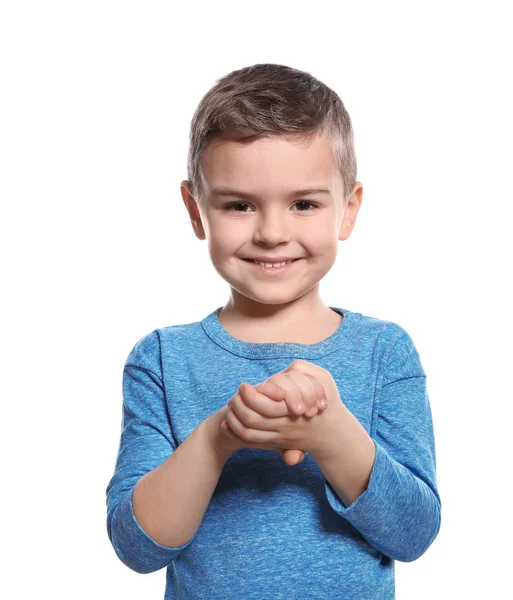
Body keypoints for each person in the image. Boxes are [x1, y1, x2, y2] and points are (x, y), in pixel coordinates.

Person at [105, 63, 441, 599]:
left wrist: (332, 436)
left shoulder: (384, 352)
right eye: (239, 205)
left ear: (347, 210)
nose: (272, 233)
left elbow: (413, 533)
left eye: (304, 204)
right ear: (197, 211)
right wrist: (218, 439)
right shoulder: (164, 360)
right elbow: (137, 547)